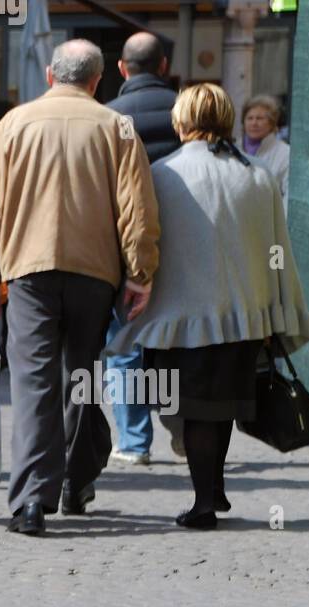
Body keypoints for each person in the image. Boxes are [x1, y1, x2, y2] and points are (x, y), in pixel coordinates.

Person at [0, 39, 160, 536]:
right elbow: (136, 211)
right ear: (99, 81)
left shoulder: (14, 123)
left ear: (51, 76)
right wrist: (140, 273)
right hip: (95, 270)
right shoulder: (117, 127)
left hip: (28, 269)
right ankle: (77, 480)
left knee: (34, 383)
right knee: (84, 377)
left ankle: (33, 499)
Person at [108, 84, 309, 529]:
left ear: (181, 121)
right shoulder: (258, 175)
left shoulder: (163, 173)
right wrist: (277, 312)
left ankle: (205, 503)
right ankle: (214, 488)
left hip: (179, 317)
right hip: (244, 315)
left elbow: (145, 241)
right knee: (219, 406)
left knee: (192, 409)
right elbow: (276, 249)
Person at [102, 31, 181, 466]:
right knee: (179, 341)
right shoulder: (184, 113)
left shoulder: (109, 118)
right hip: (181, 243)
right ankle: (185, 429)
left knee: (125, 344)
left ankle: (134, 441)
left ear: (120, 68)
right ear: (164, 66)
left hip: (121, 250)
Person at [240, 94, 290, 208]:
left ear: (272, 123)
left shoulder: (285, 153)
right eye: (250, 118)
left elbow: (288, 196)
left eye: (260, 118)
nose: (254, 123)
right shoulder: (233, 149)